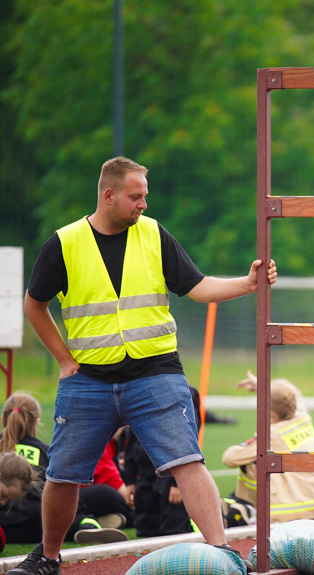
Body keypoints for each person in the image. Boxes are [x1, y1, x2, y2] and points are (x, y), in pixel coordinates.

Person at [12, 156, 277, 575]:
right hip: (89, 380)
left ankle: (223, 551)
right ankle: (47, 557)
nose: (143, 205)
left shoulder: (154, 234)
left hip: (157, 374)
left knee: (188, 461)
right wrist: (63, 359)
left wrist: (247, 284)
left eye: (145, 196)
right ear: (109, 195)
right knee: (62, 475)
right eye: (136, 197)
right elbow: (34, 305)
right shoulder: (64, 243)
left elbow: (197, 286)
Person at [0, 393, 128, 546]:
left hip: (7, 524)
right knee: (70, 512)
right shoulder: (45, 451)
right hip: (41, 519)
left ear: (3, 420)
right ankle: (88, 524)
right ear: (36, 423)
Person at [222, 379, 314, 522]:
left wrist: (243, 446)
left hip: (299, 512)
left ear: (269, 415)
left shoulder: (272, 435)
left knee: (252, 462)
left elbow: (229, 458)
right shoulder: (303, 418)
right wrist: (263, 387)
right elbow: (290, 401)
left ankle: (250, 508)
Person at [120, 386, 202, 538]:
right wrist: (129, 480)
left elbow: (188, 439)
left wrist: (177, 483)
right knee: (145, 530)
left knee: (173, 532)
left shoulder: (183, 392)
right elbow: (132, 438)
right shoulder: (138, 393)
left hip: (170, 476)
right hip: (144, 476)